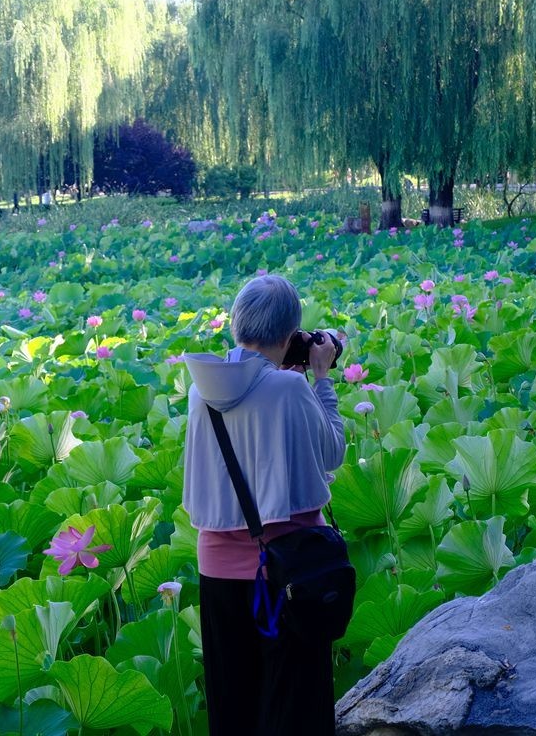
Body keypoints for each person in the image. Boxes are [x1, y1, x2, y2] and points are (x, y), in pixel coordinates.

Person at [182, 274, 346, 736]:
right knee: (294, 705)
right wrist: (321, 379)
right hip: (288, 570)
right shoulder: (291, 390)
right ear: (292, 333)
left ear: (236, 325)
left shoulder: (200, 392)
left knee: (232, 703)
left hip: (217, 569)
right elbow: (332, 451)